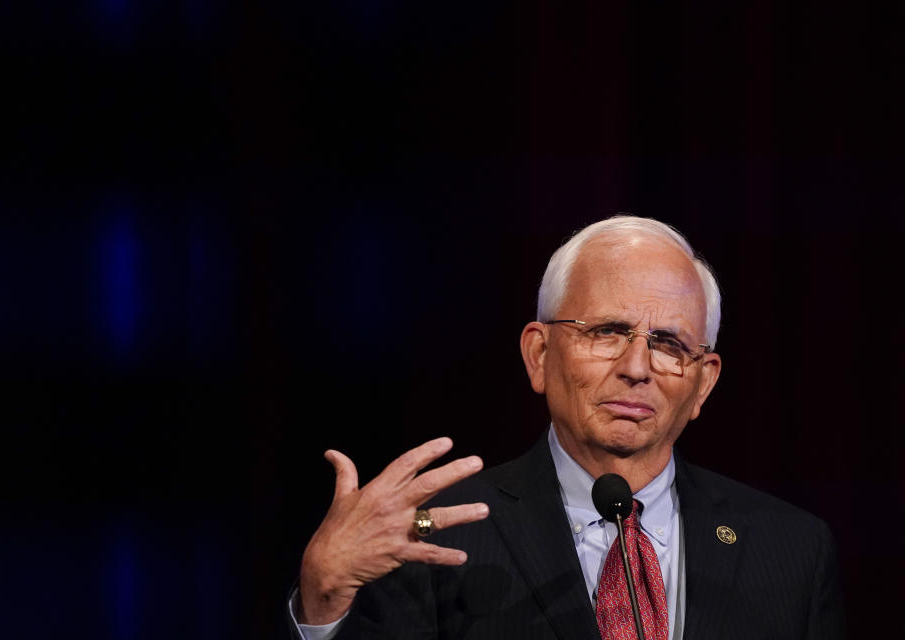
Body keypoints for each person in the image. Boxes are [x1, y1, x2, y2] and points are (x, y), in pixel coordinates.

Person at [287, 216, 845, 639]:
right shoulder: (433, 535)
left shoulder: (793, 551)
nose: (636, 367)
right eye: (606, 331)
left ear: (702, 383)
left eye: (669, 345)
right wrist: (322, 602)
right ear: (539, 353)